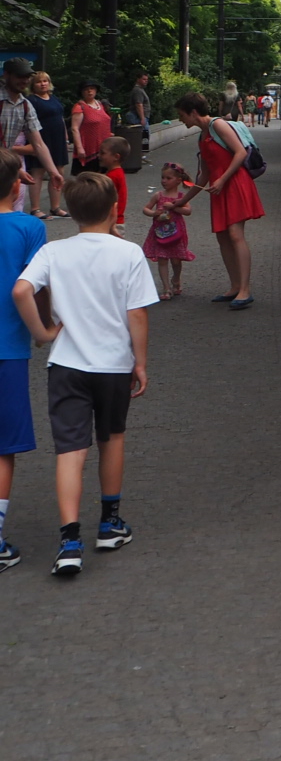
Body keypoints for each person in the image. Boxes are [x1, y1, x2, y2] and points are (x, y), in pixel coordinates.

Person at [12, 170, 156, 577]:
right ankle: (109, 524)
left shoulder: (53, 252)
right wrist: (140, 362)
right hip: (113, 365)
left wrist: (43, 333)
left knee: (70, 451)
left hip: (67, 365)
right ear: (114, 209)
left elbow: (22, 290)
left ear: (72, 212)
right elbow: (137, 314)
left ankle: (70, 542)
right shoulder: (128, 253)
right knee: (112, 439)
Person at [0, 150, 47, 570]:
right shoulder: (31, 227)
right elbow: (37, 286)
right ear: (18, 185)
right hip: (8, 347)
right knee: (3, 448)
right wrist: (45, 329)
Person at [175, 93, 264, 309]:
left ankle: (245, 289)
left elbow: (240, 153)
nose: (181, 119)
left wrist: (222, 179)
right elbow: (204, 175)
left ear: (193, 112)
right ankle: (235, 286)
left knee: (235, 234)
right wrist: (182, 201)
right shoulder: (202, 136)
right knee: (223, 237)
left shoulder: (218, 125)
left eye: (182, 115)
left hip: (234, 183)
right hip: (220, 187)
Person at [2, 59, 59, 216]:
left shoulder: (25, 105)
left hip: (5, 167)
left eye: (27, 77)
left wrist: (53, 172)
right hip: (7, 164)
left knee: (9, 214)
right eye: (19, 76)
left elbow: (38, 143)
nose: (24, 81)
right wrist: (16, 169)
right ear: (6, 75)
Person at [141, 161, 195, 300]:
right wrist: (154, 213)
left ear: (178, 180)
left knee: (176, 260)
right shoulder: (158, 195)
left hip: (176, 234)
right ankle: (166, 288)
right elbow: (146, 208)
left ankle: (176, 279)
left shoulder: (181, 197)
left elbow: (188, 211)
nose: (164, 181)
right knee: (162, 259)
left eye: (168, 178)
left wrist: (174, 207)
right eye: (163, 177)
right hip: (160, 233)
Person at [27, 72, 68, 219]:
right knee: (38, 172)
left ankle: (55, 207)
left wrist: (65, 136)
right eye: (39, 82)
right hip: (41, 139)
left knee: (59, 171)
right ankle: (35, 208)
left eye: (45, 81)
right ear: (33, 85)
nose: (43, 84)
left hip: (58, 139)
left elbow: (60, 117)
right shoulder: (31, 100)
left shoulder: (53, 98)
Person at [68, 81, 112, 176]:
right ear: (82, 92)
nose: (89, 91)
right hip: (89, 148)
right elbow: (75, 129)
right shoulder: (79, 107)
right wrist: (79, 148)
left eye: (92, 89)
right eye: (86, 89)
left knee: (104, 177)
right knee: (89, 177)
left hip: (104, 147)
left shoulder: (101, 105)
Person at [99, 136, 131, 235]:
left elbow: (104, 198)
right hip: (116, 219)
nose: (99, 156)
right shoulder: (117, 172)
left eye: (102, 153)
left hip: (111, 221)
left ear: (116, 157)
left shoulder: (112, 176)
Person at [128, 72, 151, 155]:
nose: (146, 81)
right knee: (143, 135)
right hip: (138, 117)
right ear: (138, 79)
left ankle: (141, 154)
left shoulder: (140, 90)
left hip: (141, 116)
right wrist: (142, 118)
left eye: (147, 79)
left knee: (145, 135)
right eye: (144, 79)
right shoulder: (138, 90)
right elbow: (138, 104)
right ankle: (140, 154)